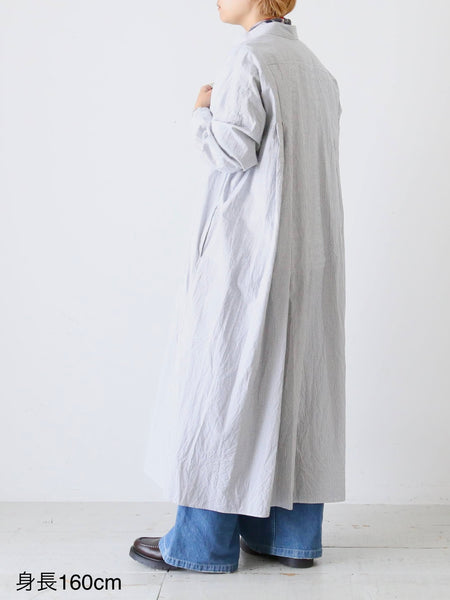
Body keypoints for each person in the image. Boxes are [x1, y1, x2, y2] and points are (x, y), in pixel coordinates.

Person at [129, 0, 345, 573]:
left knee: (223, 386)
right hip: (309, 253)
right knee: (296, 389)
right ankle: (288, 538)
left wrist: (201, 113)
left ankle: (201, 544)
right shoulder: (317, 71)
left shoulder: (249, 60)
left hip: (249, 256)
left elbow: (232, 151)